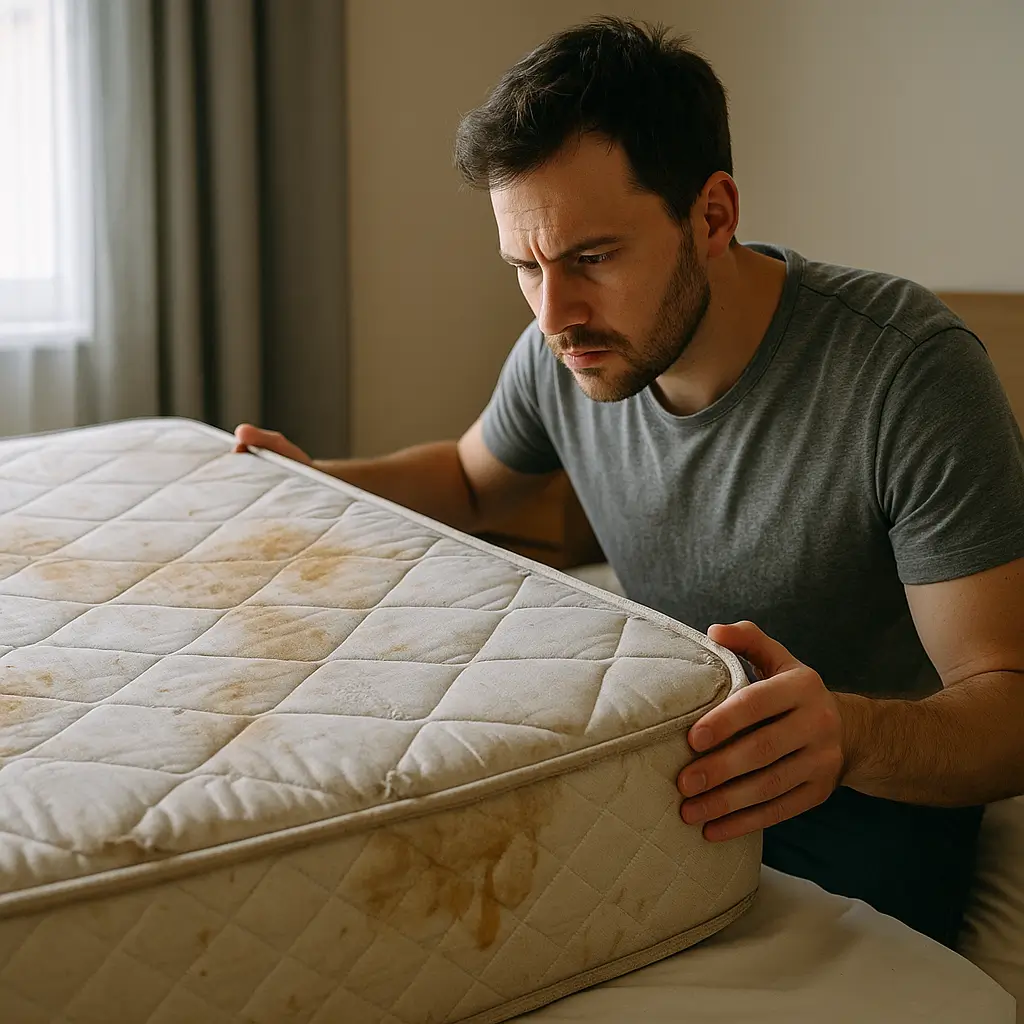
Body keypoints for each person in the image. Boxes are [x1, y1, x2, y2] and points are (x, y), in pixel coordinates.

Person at [234, 17, 1024, 948]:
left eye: (592, 259)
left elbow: (1006, 700)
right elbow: (469, 478)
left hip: (868, 797)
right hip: (662, 765)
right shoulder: (567, 349)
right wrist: (310, 482)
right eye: (526, 268)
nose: (555, 312)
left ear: (714, 215)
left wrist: (846, 735)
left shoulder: (907, 373)